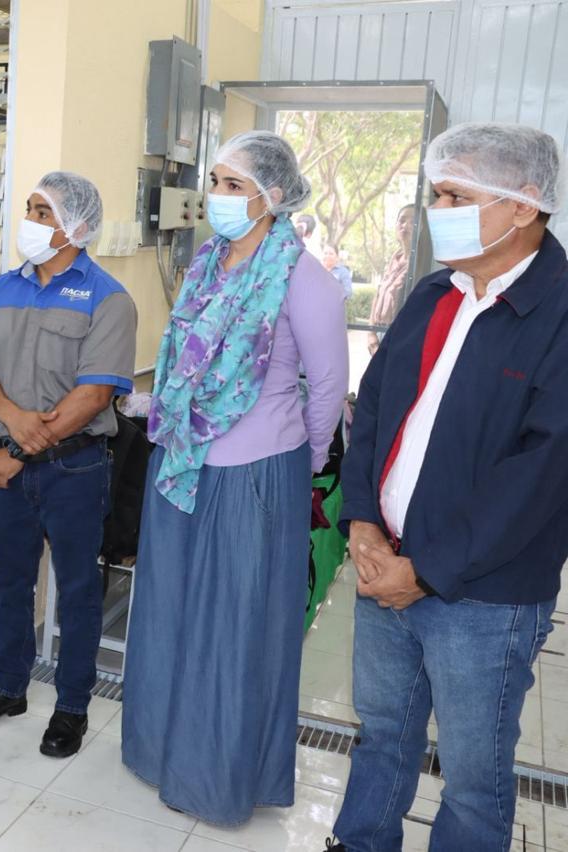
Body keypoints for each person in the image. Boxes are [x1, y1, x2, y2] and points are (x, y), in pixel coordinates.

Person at [326, 123, 567, 852]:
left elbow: (541, 473)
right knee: (382, 736)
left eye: (456, 196)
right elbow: (373, 411)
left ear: (523, 204)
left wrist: (425, 571)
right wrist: (363, 522)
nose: (438, 211)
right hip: (385, 565)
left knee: (471, 775)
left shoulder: (558, 314)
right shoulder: (435, 294)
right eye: (436, 195)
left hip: (484, 597)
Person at [122, 130, 348, 825]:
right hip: (181, 466)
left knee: (234, 631)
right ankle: (159, 753)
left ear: (272, 196)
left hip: (255, 475)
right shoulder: (206, 264)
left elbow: (327, 389)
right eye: (214, 181)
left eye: (231, 185)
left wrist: (305, 463)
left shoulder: (302, 278)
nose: (214, 196)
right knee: (169, 615)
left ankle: (216, 777)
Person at [0, 172, 136, 758]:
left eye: (43, 212)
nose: (29, 220)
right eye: (30, 208)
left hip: (73, 467)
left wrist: (17, 450)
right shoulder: (4, 289)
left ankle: (72, 706)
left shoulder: (108, 298)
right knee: (11, 581)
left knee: (78, 591)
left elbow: (95, 393)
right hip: (7, 461)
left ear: (76, 226)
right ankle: (7, 686)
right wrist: (12, 422)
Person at [366, 203, 415, 355]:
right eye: (402, 220)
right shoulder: (394, 259)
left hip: (399, 338)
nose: (405, 225)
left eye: (413, 221)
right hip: (379, 334)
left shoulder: (419, 264)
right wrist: (371, 334)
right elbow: (378, 295)